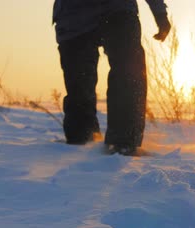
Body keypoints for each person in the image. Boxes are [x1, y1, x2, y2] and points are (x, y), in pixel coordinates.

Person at [53, 0, 171, 156]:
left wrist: (160, 12)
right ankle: (82, 142)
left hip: (117, 10)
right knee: (79, 87)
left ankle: (123, 144)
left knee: (128, 71)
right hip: (73, 17)